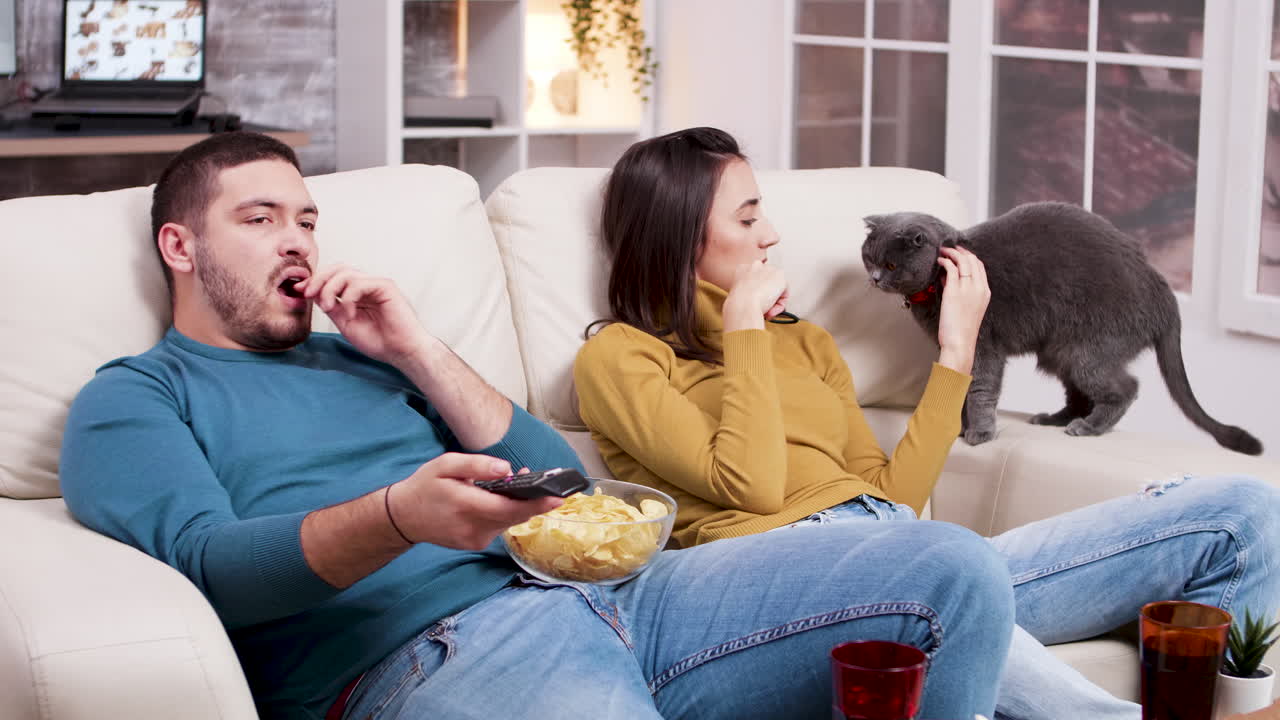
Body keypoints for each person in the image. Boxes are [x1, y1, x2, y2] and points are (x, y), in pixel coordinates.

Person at [59, 131, 1017, 720]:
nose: (298, 240)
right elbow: (212, 571)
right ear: (180, 246)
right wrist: (398, 516)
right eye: (261, 220)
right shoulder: (137, 397)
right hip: (427, 652)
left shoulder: (370, 356)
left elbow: (563, 480)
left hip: (620, 597)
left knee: (951, 568)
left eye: (307, 220)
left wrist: (416, 349)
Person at [573, 126, 1280, 720]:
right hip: (781, 579)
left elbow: (892, 495)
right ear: (678, 233)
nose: (773, 232)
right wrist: (742, 328)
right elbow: (752, 488)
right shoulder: (619, 357)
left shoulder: (805, 340)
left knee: (1243, 514)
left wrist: (956, 353)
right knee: (949, 561)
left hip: (914, 554)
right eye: (749, 216)